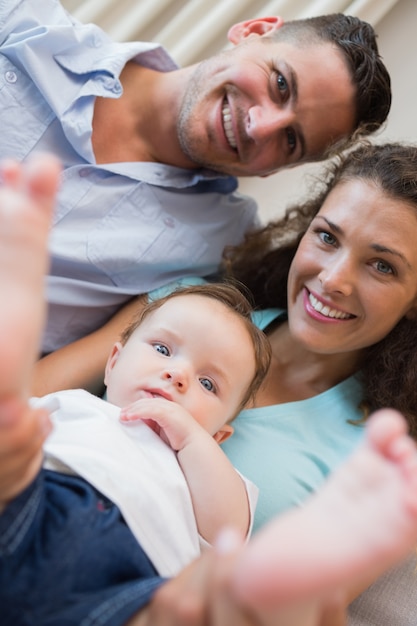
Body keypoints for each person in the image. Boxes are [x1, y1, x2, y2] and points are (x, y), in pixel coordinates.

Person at [2, 155, 417, 626]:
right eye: (326, 236)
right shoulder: (188, 309)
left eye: (382, 266)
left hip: (149, 589)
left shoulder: (386, 460)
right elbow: (32, 395)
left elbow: (300, 609)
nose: (332, 278)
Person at [0, 1, 392, 356]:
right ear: (252, 31)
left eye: (290, 140)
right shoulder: (22, 22)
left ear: (279, 170)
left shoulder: (223, 248)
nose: (259, 125)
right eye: (280, 84)